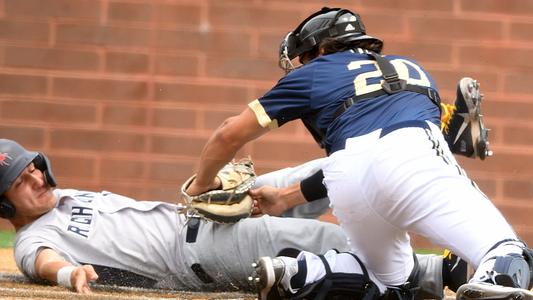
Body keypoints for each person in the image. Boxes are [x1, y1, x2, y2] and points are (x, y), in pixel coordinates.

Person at [183, 7, 533, 300]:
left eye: (304, 56)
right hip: (413, 153)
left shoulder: (314, 74)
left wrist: (201, 185)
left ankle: (299, 272)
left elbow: (229, 132)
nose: (302, 63)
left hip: (347, 176)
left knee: (387, 281)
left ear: (320, 50)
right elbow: (392, 143)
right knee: (507, 252)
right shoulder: (412, 68)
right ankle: (495, 280)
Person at [0, 138, 465, 298]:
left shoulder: (58, 196)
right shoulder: (33, 239)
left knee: (315, 176)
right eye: (22, 179)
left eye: (34, 165)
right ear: (4, 207)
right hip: (197, 256)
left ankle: (423, 142)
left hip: (203, 216)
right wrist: (68, 274)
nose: (37, 175)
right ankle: (447, 271)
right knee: (319, 241)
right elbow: (42, 261)